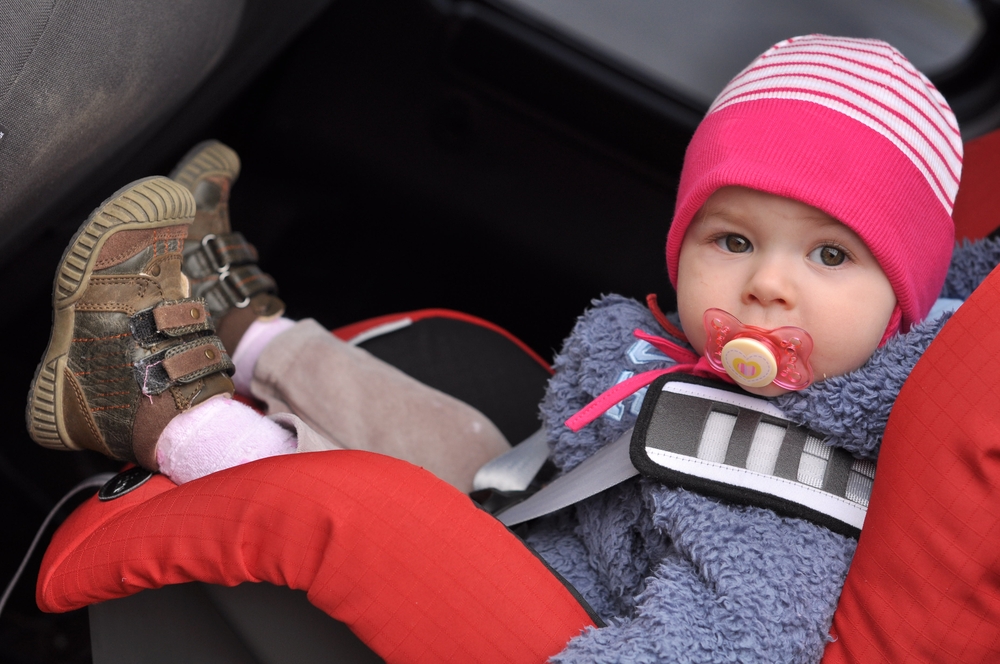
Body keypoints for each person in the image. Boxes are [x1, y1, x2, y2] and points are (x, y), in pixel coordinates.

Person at [25, 34, 1000, 662]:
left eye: (829, 254)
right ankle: (247, 335)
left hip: (580, 613)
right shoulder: (782, 369)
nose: (766, 284)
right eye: (732, 239)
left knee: (353, 495)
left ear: (903, 300)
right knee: (445, 425)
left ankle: (150, 403)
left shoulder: (778, 530)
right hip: (557, 517)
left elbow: (719, 641)